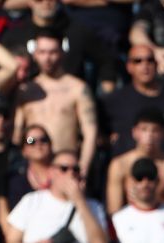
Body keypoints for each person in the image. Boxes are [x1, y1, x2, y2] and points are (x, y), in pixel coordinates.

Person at [4, 151, 111, 243]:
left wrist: (79, 200)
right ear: (51, 172)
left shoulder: (93, 207)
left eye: (76, 169)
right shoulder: (32, 201)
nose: (71, 174)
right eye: (64, 168)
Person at [12, 32, 99, 183]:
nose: (47, 58)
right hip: (33, 170)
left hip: (66, 167)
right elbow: (17, 133)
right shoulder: (26, 90)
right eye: (42, 52)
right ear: (34, 54)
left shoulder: (77, 88)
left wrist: (82, 170)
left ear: (62, 53)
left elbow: (90, 133)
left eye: (52, 52)